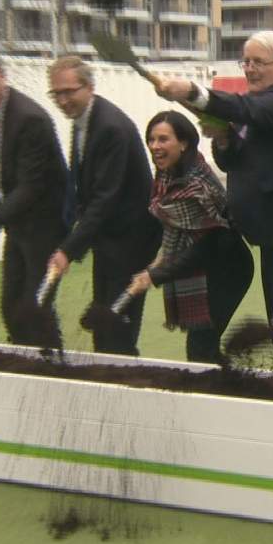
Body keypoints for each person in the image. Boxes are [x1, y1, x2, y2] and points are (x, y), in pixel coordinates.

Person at [155, 31, 273, 371]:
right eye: (246, 61)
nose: (250, 69)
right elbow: (232, 161)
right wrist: (225, 138)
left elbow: (240, 108)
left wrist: (192, 93)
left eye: (259, 62)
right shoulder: (257, 108)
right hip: (265, 235)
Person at [46, 55, 160, 356]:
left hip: (131, 242)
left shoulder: (110, 127)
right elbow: (85, 191)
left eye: (69, 91)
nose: (62, 100)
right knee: (105, 325)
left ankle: (125, 391)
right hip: (110, 240)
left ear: (89, 86)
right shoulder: (84, 120)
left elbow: (104, 199)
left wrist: (69, 249)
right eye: (56, 93)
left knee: (118, 331)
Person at [0, 49, 68, 347]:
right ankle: (24, 366)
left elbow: (31, 187)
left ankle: (51, 370)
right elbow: (2, 162)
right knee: (11, 308)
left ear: (3, 76)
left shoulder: (30, 119)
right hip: (19, 224)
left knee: (35, 307)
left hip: (46, 224)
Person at [126, 111, 254, 363]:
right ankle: (227, 381)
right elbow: (177, 228)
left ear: (183, 143)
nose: (155, 146)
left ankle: (225, 390)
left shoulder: (195, 185)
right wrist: (162, 258)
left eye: (163, 139)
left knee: (200, 346)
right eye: (151, 139)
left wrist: (155, 275)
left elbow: (201, 248)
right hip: (203, 267)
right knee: (203, 347)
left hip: (227, 270)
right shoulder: (167, 175)